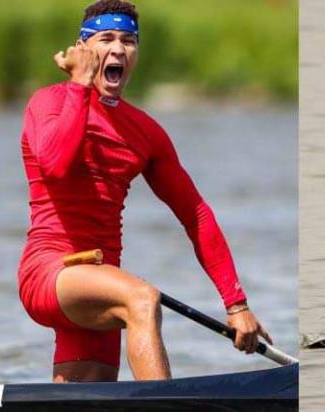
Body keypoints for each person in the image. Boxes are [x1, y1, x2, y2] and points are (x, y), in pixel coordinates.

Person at [18, 0, 271, 382]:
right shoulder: (49, 102)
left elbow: (196, 215)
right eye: (106, 39)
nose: (118, 49)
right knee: (142, 298)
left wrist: (236, 303)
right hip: (49, 271)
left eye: (128, 40)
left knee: (87, 399)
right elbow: (56, 165)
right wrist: (79, 86)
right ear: (82, 49)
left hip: (100, 277)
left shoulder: (146, 132)